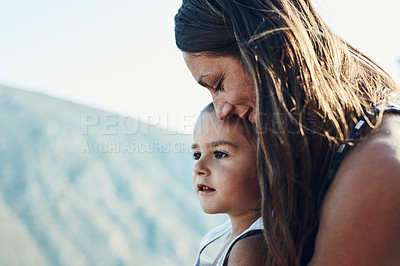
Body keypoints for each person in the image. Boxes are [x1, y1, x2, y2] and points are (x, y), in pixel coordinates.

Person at [175, 1, 400, 265]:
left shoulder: (376, 169)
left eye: (219, 84)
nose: (221, 110)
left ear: (262, 47)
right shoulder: (325, 154)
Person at [191, 102, 267, 265]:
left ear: (267, 166)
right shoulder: (231, 236)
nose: (198, 167)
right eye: (197, 155)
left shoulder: (250, 248)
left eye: (219, 154)